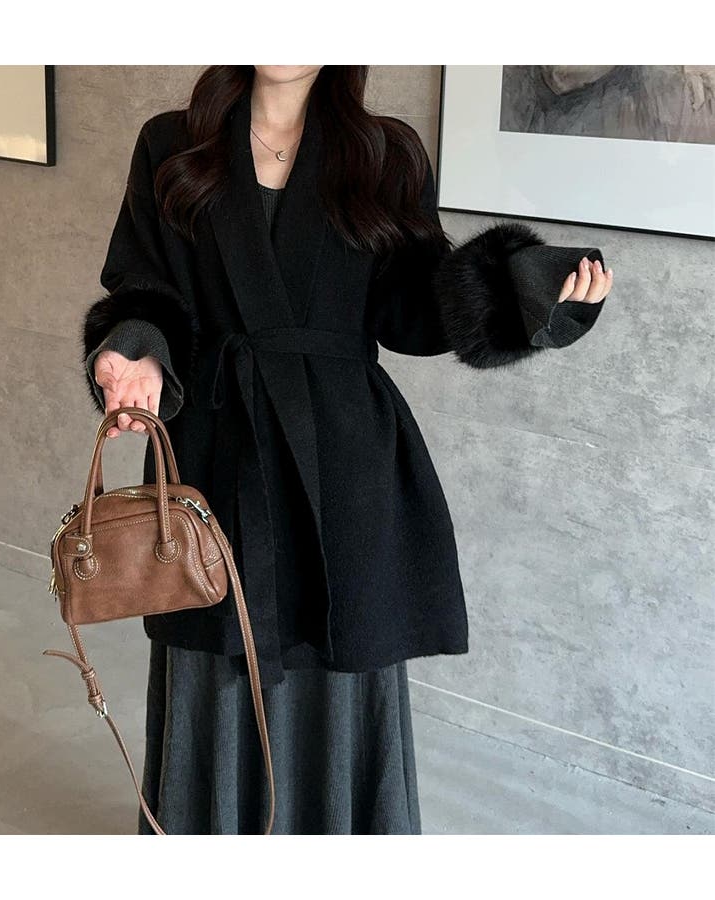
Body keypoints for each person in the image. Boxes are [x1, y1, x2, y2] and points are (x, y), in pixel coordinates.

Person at [81, 65, 613, 835]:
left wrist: (524, 288)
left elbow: (416, 306)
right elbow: (142, 284)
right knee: (217, 643)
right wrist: (135, 349)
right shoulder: (173, 144)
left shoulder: (382, 153)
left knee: (341, 650)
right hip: (221, 455)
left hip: (343, 462)